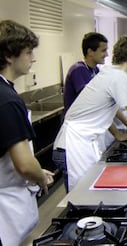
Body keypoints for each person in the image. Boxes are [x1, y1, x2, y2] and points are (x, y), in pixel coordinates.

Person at [53, 35, 127, 191]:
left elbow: (126, 109)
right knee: (80, 198)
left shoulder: (112, 73)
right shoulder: (118, 77)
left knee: (88, 194)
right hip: (72, 145)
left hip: (81, 142)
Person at [0, 20, 54, 245]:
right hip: (6, 201)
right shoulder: (8, 100)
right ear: (9, 56)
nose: (33, 58)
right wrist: (40, 177)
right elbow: (23, 163)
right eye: (29, 52)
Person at [63, 32, 108, 111]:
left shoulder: (96, 70)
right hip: (77, 120)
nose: (107, 54)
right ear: (90, 52)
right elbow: (90, 97)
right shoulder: (78, 70)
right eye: (103, 51)